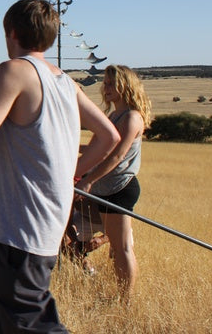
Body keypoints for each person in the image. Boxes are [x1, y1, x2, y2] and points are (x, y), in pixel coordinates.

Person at [0, 0, 120, 333]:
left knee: (30, 324)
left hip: (23, 228)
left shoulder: (13, 70)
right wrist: (72, 174)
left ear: (11, 32)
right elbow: (109, 135)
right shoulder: (64, 82)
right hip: (28, 225)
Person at [74, 64, 151, 300]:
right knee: (113, 245)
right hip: (102, 188)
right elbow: (98, 149)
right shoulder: (113, 115)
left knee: (122, 248)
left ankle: (124, 300)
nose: (105, 88)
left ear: (124, 86)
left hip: (119, 188)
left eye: (110, 84)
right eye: (105, 83)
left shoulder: (132, 118)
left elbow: (115, 156)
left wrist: (88, 181)